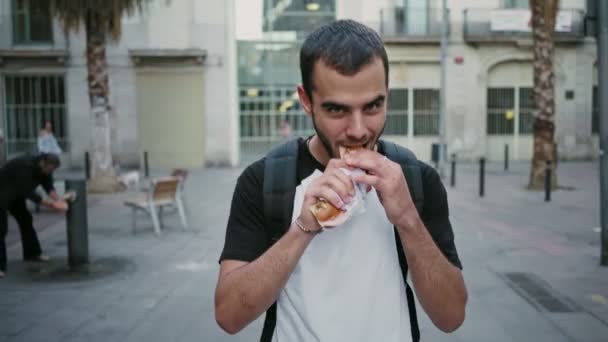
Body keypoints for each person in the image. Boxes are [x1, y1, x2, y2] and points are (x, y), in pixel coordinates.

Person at [215, 20, 467, 342]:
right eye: (337, 110)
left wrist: (407, 219)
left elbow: (451, 316)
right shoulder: (264, 180)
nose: (359, 130)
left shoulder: (417, 180)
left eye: (373, 106)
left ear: (387, 95)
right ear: (306, 101)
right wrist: (303, 227)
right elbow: (229, 315)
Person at [0, 153, 68, 278]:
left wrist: (58, 199)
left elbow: (48, 185)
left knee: (26, 220)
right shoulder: (24, 166)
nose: (50, 173)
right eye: (50, 170)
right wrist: (53, 205)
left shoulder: (45, 169)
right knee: (1, 229)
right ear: (43, 163)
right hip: (2, 194)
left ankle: (32, 253)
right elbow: (29, 193)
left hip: (15, 195)